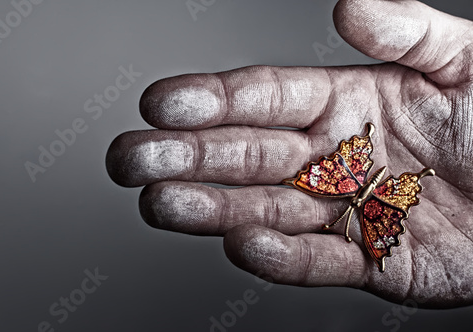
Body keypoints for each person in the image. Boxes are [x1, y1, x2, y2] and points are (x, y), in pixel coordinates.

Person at [106, 0, 473, 308]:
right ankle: (402, 169)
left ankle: (398, 166)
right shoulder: (373, 203)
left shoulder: (352, 189)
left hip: (357, 181)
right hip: (372, 189)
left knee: (324, 188)